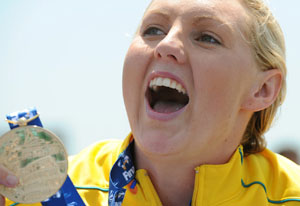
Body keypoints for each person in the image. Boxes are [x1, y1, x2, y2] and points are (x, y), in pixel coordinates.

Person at [1, 0, 300, 205]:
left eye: (207, 37)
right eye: (153, 30)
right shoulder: (34, 192)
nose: (167, 44)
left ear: (262, 89)